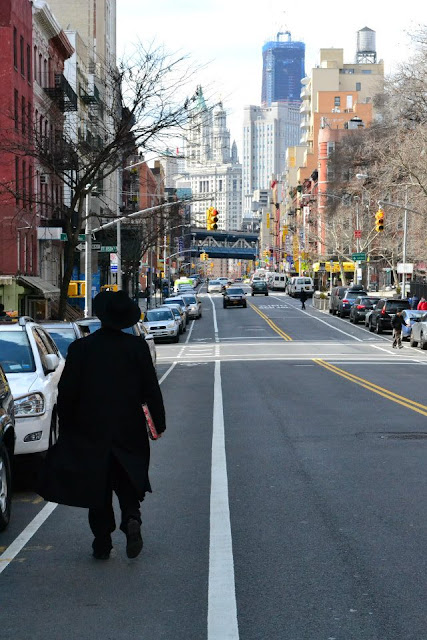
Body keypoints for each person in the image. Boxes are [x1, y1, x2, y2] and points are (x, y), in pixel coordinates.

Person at [38, 290, 166, 560]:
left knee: (97, 484)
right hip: (128, 427)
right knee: (127, 477)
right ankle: (132, 518)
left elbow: (67, 391)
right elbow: (151, 389)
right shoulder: (137, 348)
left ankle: (102, 540)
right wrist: (159, 422)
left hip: (90, 429)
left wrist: (68, 424)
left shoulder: (81, 349)